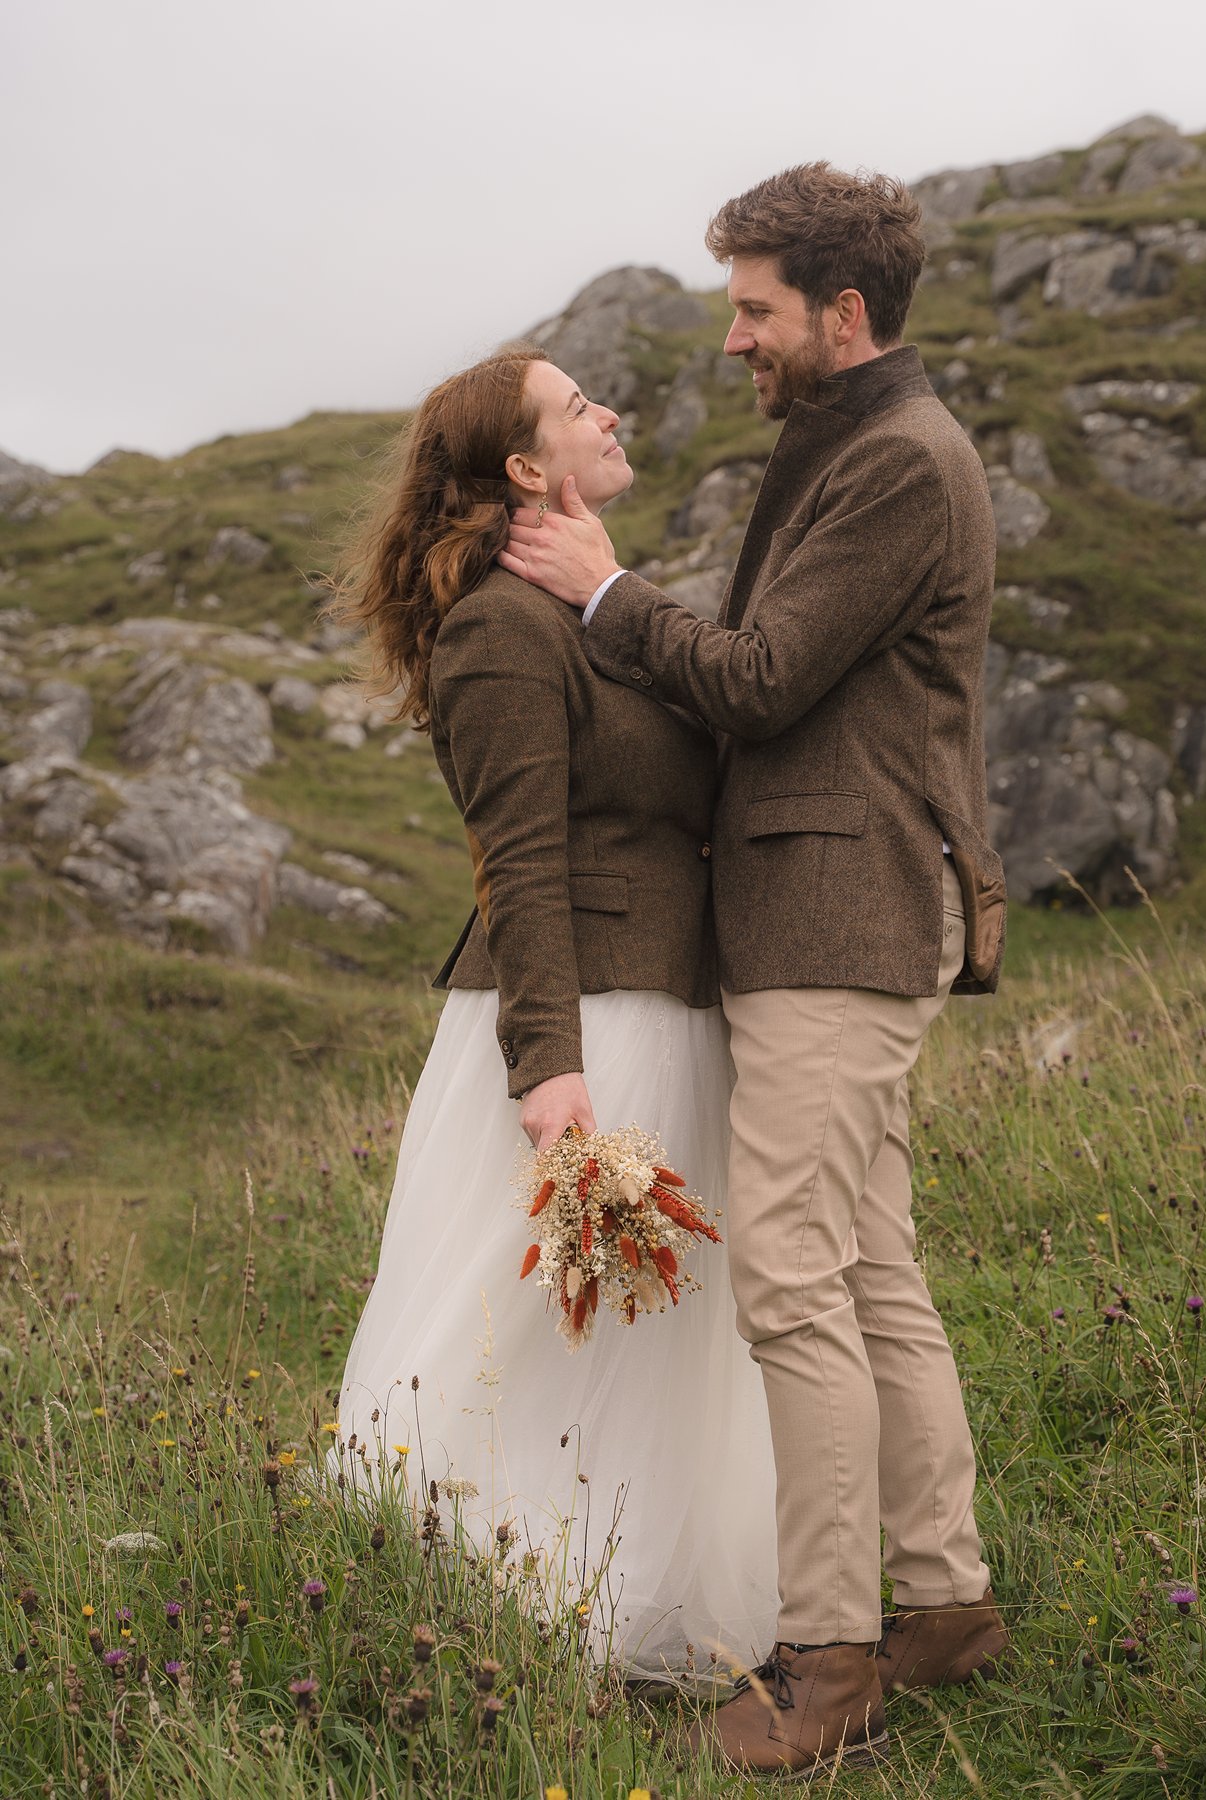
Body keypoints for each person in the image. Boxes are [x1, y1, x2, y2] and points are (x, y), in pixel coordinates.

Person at [500, 162, 1010, 1776]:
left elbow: (767, 678)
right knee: (869, 1270)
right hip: (829, 919)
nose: (734, 340)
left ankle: (829, 1660)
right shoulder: (854, 443)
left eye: (754, 310)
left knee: (793, 1284)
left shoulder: (902, 464)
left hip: (834, 925)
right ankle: (944, 1605)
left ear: (841, 314)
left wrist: (604, 595)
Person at [325, 344, 778, 1687]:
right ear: (525, 468)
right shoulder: (499, 631)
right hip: (581, 1026)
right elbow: (516, 862)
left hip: (662, 1011)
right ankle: (499, 1609)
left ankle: (628, 1604)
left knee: (647, 1335)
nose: (610, 411)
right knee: (531, 1325)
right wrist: (550, 1072)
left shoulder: (582, 608)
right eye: (580, 407)